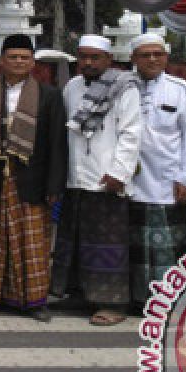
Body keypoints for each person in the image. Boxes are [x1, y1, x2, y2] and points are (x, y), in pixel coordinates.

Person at [0, 34, 68, 323]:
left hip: (32, 179)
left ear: (33, 62)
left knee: (32, 244)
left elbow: (57, 143)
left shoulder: (49, 95)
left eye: (24, 57)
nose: (18, 62)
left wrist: (54, 185)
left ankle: (34, 301)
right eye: (12, 57)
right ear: (1, 61)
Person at [50, 35, 142, 326]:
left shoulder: (124, 87)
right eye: (83, 57)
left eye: (95, 57)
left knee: (107, 242)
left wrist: (119, 172)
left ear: (108, 60)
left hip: (107, 177)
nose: (88, 62)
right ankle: (79, 293)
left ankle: (112, 303)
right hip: (76, 176)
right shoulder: (73, 87)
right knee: (76, 239)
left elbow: (131, 132)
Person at [127, 33, 186, 307]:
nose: (152, 59)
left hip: (168, 179)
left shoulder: (181, 90)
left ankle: (171, 301)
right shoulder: (121, 87)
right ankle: (136, 299)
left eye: (157, 54)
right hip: (130, 180)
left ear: (166, 58)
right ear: (133, 58)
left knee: (168, 245)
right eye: (145, 54)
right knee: (133, 244)